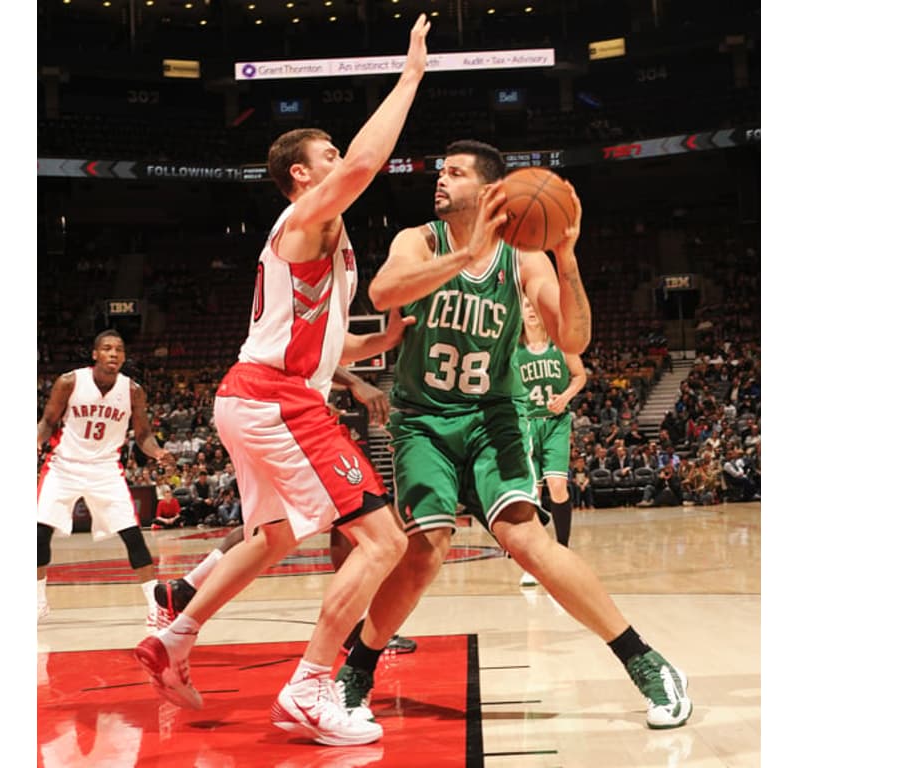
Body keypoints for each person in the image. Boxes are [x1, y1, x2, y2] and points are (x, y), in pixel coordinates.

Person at [133, 15, 431, 748]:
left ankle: (176, 631)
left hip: (256, 393)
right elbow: (363, 166)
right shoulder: (306, 218)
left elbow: (325, 342)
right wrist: (411, 76)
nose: (342, 160)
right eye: (327, 153)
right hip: (275, 400)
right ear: (302, 174)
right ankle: (311, 686)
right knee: (384, 542)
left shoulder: (324, 238)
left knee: (272, 535)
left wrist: (381, 340)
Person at [333, 139, 692, 731]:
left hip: (492, 415)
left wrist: (566, 256)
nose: (439, 180)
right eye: (440, 170)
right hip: (423, 419)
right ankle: (360, 668)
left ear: (491, 190)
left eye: (454, 173)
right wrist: (466, 251)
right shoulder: (418, 240)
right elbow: (381, 294)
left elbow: (573, 341)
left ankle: (646, 661)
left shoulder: (524, 259)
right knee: (424, 552)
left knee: (529, 542)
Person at [148, 367, 419, 656]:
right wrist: (356, 381)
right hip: (283, 412)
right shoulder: (305, 329)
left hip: (268, 408)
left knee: (276, 525)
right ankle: (352, 632)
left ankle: (185, 594)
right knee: (361, 520)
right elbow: (309, 354)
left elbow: (331, 352)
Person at [37, 329, 176, 629]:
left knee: (133, 536)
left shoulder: (133, 391)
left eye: (119, 350)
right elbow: (48, 421)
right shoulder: (70, 382)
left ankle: (156, 606)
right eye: (107, 349)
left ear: (124, 357)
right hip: (64, 466)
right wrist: (36, 439)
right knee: (38, 533)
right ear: (95, 354)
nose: (114, 354)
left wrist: (158, 452)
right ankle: (37, 601)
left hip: (105, 470)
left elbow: (143, 436)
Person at [512, 294, 588, 586]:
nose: (531, 310)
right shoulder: (513, 349)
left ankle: (563, 551)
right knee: (532, 493)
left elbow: (579, 376)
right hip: (526, 424)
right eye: (526, 306)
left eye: (535, 306)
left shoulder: (560, 344)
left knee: (557, 486)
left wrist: (565, 397)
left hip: (556, 422)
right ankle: (534, 561)